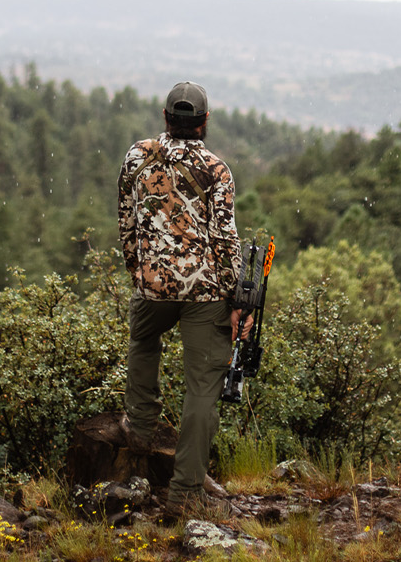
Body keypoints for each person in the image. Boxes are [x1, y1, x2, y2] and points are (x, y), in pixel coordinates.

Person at [117, 80, 242, 514]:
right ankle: (185, 494)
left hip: (152, 287)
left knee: (142, 338)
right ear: (204, 122)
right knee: (203, 386)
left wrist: (140, 273)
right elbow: (225, 241)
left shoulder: (138, 155)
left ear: (167, 118)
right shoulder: (216, 170)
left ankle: (141, 426)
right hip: (205, 293)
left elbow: (126, 222)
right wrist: (236, 299)